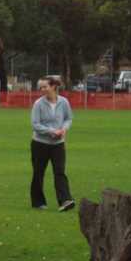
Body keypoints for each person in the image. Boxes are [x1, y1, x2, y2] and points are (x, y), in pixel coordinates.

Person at [30, 76, 75, 212]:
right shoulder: (38, 104)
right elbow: (35, 124)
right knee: (38, 173)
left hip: (58, 144)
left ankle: (65, 200)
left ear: (53, 86)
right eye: (41, 87)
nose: (42, 89)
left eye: (45, 86)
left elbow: (68, 118)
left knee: (60, 172)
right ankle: (38, 202)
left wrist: (64, 129)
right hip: (40, 144)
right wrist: (51, 131)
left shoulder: (64, 102)